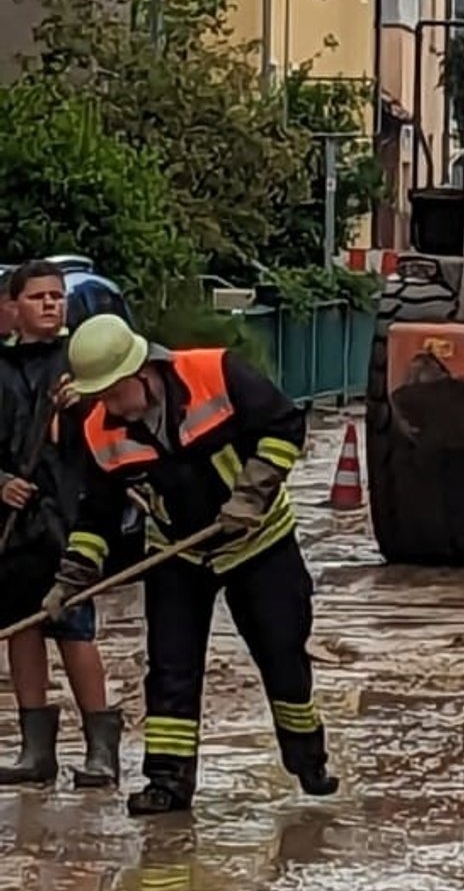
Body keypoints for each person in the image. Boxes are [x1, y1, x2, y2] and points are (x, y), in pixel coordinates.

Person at [41, 314, 338, 816]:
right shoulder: (99, 430)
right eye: (100, 397)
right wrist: (71, 579)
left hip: (259, 541)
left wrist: (254, 492)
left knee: (282, 656)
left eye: (115, 393)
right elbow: (98, 514)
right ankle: (168, 782)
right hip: (177, 551)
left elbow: (284, 425)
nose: (110, 407)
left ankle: (307, 758)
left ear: (141, 371)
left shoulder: (217, 372)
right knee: (171, 668)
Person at [0, 261, 118, 787]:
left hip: (71, 515)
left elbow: (117, 423)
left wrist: (85, 404)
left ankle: (100, 750)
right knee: (21, 630)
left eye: (56, 297)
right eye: (38, 297)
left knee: (73, 624)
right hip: (11, 522)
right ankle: (35, 752)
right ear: (11, 307)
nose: (50, 304)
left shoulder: (80, 362)